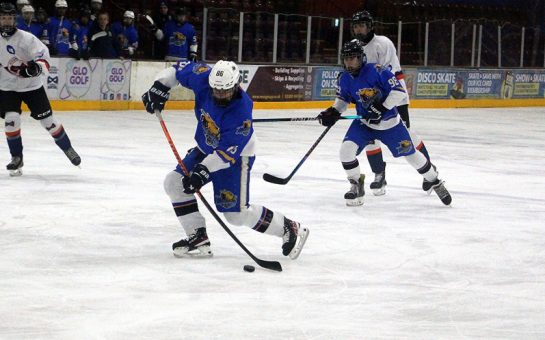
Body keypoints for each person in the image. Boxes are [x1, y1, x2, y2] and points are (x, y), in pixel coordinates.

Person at [141, 59, 309, 258]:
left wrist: (201, 172)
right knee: (174, 183)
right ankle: (197, 237)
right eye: (216, 91)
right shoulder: (204, 77)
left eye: (225, 91)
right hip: (207, 147)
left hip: (236, 157)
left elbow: (225, 154)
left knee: (236, 215)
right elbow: (177, 69)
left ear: (236, 86)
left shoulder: (241, 111)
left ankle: (288, 227)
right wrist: (159, 86)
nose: (220, 95)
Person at [317, 40, 451, 206]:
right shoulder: (344, 78)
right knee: (346, 150)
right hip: (365, 124)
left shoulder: (377, 70)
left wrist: (381, 107)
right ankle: (356, 185)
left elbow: (399, 92)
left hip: (390, 125)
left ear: (361, 58)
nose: (349, 62)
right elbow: (343, 100)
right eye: (346, 58)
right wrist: (333, 112)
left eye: (353, 58)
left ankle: (435, 181)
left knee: (412, 157)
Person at [350, 10, 432, 196]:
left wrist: (381, 102)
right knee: (370, 138)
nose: (359, 29)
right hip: (367, 98)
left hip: (394, 96)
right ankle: (379, 175)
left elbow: (389, 76)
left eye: (362, 25)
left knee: (407, 135)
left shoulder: (383, 43)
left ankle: (428, 170)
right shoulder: (354, 46)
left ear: (370, 26)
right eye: (356, 26)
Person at [0, 2, 81, 176]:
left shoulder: (26, 38)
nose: (7, 22)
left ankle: (68, 148)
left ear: (15, 20)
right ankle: (17, 158)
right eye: (4, 18)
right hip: (7, 87)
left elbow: (42, 55)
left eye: (10, 18)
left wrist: (36, 67)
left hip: (31, 86)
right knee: (11, 119)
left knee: (49, 122)